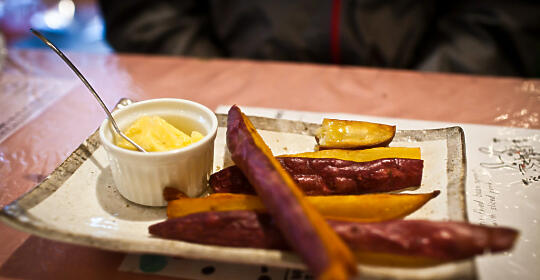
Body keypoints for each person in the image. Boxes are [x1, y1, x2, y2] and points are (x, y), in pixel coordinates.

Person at [99, 0, 540, 77]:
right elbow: (148, 13)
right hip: (222, 90)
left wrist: (433, 90)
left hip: (427, 87)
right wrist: (212, 81)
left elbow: (503, 18)